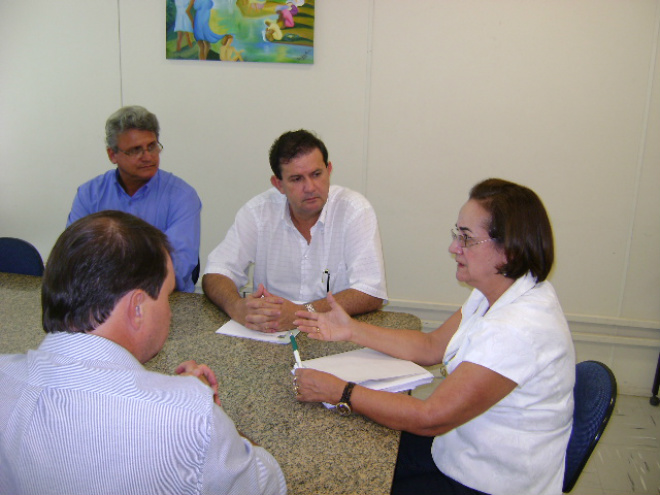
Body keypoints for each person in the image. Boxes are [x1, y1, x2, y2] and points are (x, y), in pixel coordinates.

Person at [292, 178, 576, 495]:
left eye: (466, 239)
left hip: (486, 482)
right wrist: (352, 329)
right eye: (457, 234)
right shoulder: (499, 290)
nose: (453, 248)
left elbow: (431, 418)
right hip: (460, 448)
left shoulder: (517, 329)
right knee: (351, 459)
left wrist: (340, 392)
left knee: (350, 481)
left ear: (508, 250)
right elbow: (432, 347)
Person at [0, 211, 286, 495]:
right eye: (167, 295)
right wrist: (214, 419)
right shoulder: (189, 417)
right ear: (137, 308)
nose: (170, 313)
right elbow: (268, 484)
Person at [203, 129, 387, 333]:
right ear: (278, 184)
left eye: (317, 174)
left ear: (329, 170)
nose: (310, 187)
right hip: (270, 336)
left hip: (338, 335)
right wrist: (235, 306)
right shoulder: (258, 212)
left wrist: (301, 313)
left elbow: (370, 292)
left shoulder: (354, 210)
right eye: (297, 179)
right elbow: (217, 271)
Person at [67, 105, 201, 293]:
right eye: (135, 150)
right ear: (112, 155)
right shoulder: (89, 195)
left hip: (166, 301)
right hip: (102, 300)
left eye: (152, 146)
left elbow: (177, 269)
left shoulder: (182, 196)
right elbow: (73, 258)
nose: (148, 157)